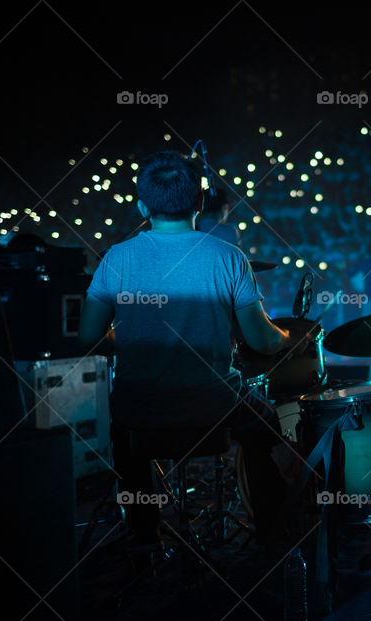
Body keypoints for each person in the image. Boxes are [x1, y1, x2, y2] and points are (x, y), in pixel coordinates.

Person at [78, 150, 293, 545]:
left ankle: (146, 539)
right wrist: (285, 337)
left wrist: (127, 340)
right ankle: (272, 535)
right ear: (198, 202)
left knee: (124, 438)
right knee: (264, 424)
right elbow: (261, 340)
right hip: (213, 405)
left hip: (139, 408)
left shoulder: (116, 258)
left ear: (143, 205)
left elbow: (87, 338)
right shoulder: (228, 257)